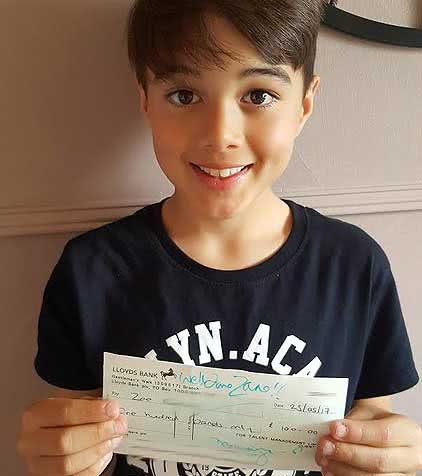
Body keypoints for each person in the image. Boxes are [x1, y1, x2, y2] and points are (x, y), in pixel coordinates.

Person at [17, 1, 421, 476]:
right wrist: (59, 455)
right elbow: (75, 426)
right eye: (185, 95)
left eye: (259, 95)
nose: (220, 135)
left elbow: (371, 414)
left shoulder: (353, 265)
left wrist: (388, 453)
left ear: (304, 104)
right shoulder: (92, 270)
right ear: (145, 100)